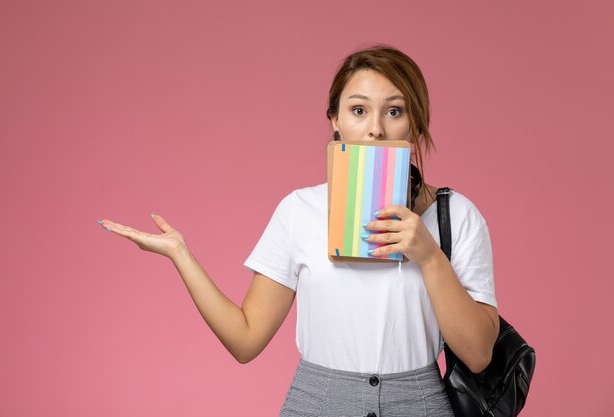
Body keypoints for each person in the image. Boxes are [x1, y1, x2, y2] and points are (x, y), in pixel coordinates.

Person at [98, 45, 500, 417]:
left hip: (420, 403)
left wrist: (429, 256)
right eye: (358, 110)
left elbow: (479, 354)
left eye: (394, 111)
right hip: (317, 403)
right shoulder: (299, 211)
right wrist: (180, 254)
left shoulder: (456, 216)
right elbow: (245, 340)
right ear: (336, 121)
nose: (375, 128)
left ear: (415, 123)